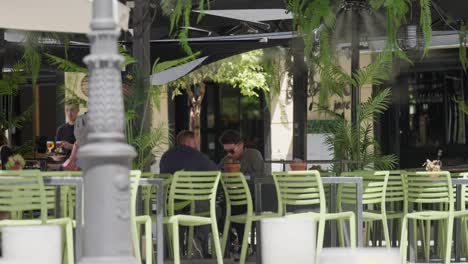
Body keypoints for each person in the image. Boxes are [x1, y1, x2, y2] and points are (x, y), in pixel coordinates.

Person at [159, 130, 218, 257]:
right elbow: (215, 172)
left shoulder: (165, 156)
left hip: (170, 203)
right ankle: (200, 240)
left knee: (178, 213)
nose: (196, 146)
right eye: (195, 143)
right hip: (191, 203)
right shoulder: (196, 155)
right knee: (215, 209)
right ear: (189, 142)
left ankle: (176, 250)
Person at [218, 129, 264, 259]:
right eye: (226, 151)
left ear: (241, 145)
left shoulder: (253, 155)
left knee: (238, 208)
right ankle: (237, 241)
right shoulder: (226, 159)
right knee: (216, 211)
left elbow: (259, 177)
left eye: (231, 151)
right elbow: (217, 173)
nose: (229, 154)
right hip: (232, 200)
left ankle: (243, 245)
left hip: (253, 199)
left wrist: (240, 177)